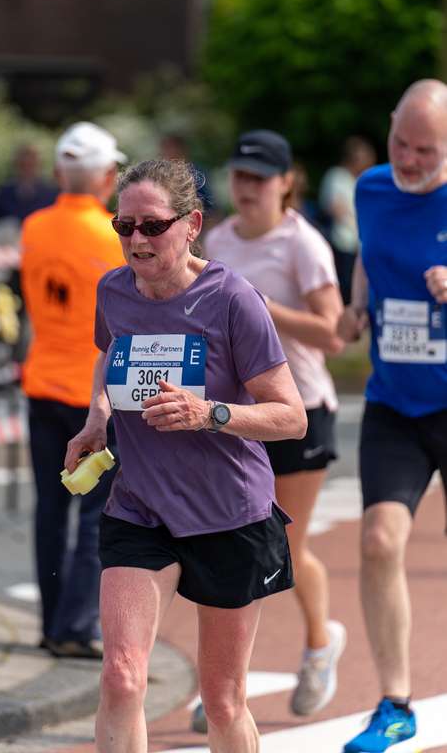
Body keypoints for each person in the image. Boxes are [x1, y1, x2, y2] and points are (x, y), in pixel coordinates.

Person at [64, 158, 307, 752]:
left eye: (153, 226)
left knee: (222, 701)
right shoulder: (113, 290)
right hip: (141, 509)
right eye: (124, 227)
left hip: (228, 514)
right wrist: (98, 415)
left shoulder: (232, 299)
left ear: (192, 224)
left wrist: (210, 414)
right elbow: (109, 352)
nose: (137, 241)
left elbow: (291, 416)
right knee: (122, 677)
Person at [200, 129, 346, 723]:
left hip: (299, 410)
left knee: (285, 545)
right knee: (226, 545)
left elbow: (333, 332)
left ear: (287, 182)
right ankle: (225, 683)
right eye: (240, 176)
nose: (248, 188)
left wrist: (262, 306)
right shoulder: (217, 239)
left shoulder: (302, 244)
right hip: (238, 417)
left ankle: (320, 645)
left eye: (260, 178)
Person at [337, 79, 447, 753]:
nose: (406, 159)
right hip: (394, 401)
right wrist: (355, 308)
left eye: (424, 151)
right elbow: (368, 263)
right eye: (400, 143)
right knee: (378, 541)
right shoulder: (370, 189)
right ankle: (395, 703)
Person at [20, 122, 126, 658]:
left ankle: (50, 622)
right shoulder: (113, 235)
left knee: (49, 508)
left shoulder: (34, 227)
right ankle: (76, 625)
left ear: (59, 172)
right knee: (95, 509)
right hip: (93, 392)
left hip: (41, 379)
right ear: (107, 177)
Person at [319, 136, 376, 304]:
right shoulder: (337, 176)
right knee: (345, 287)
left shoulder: (361, 181)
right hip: (342, 243)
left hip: (359, 244)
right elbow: (335, 208)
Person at [0, 142, 58, 225]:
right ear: (16, 164)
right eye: (23, 165)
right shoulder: (3, 193)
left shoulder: (50, 194)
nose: (27, 169)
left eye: (31, 164)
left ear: (39, 165)